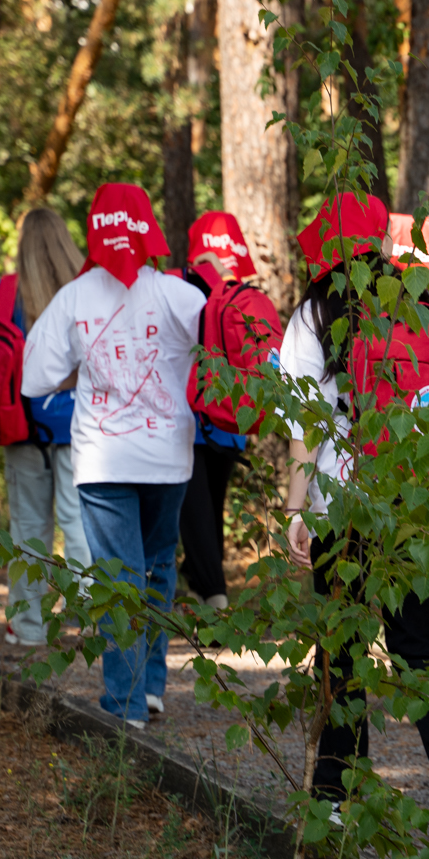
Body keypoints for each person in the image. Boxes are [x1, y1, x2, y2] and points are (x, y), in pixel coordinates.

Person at [281, 193, 429, 830]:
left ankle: (336, 795)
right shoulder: (422, 302)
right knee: (422, 654)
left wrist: (295, 509)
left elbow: (305, 420)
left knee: (341, 651)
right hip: (421, 504)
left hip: (344, 507)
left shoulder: (315, 314)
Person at [21, 184, 201, 725]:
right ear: (148, 230)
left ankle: (124, 707)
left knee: (116, 577)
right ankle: (149, 688)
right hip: (169, 455)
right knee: (157, 568)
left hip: (102, 459)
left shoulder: (74, 299)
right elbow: (223, 354)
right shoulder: (180, 295)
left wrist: (82, 366)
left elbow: (34, 378)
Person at [0, 207, 93, 646]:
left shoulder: (7, 292)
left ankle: (29, 626)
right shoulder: (87, 289)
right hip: (80, 426)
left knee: (29, 529)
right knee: (80, 523)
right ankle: (95, 620)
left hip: (23, 424)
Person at [177, 211, 254, 611]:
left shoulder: (177, 285)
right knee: (211, 509)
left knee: (196, 514)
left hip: (187, 419)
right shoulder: (241, 292)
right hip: (229, 419)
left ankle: (215, 597)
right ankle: (200, 588)